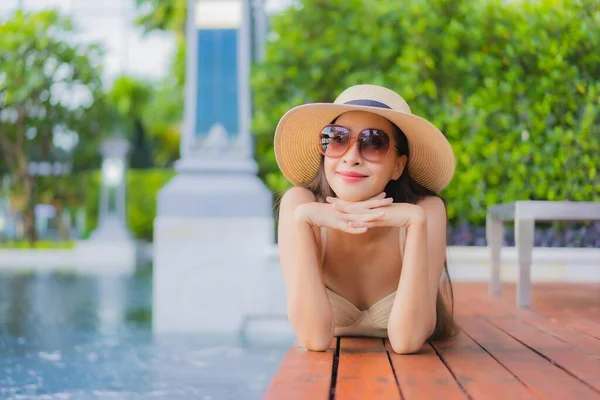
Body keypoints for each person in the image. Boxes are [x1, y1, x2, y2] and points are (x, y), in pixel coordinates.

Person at [274, 84, 458, 354]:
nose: (351, 158)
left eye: (373, 143)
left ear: (398, 165)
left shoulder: (427, 211)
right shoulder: (300, 205)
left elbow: (407, 341)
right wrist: (302, 221)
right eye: (336, 138)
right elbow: (314, 339)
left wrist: (415, 223)